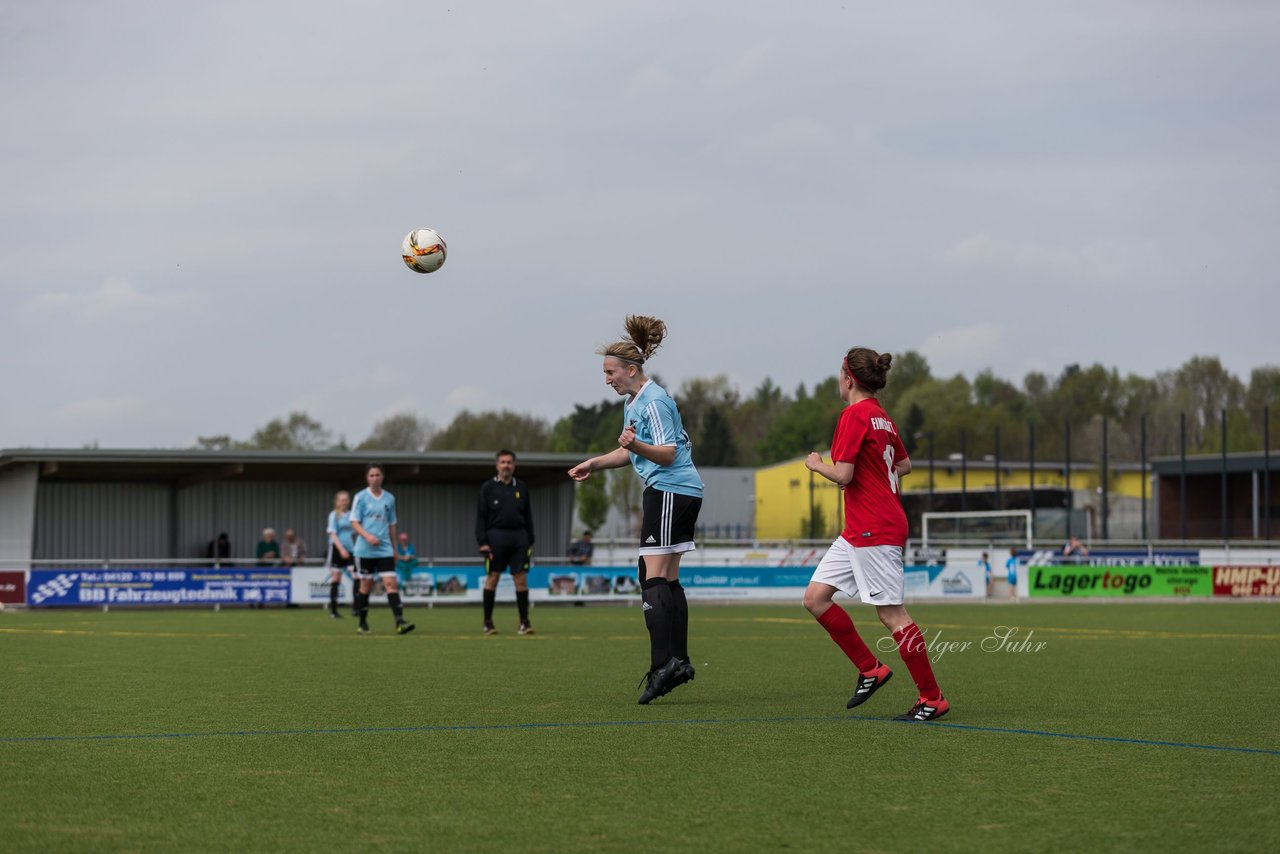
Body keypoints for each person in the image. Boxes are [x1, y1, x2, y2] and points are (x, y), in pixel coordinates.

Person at [801, 346, 950, 722]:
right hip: (861, 528)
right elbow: (905, 465)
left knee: (892, 615)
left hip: (875, 527)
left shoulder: (853, 415)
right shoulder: (882, 417)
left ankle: (932, 698)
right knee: (815, 598)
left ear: (848, 377)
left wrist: (818, 465)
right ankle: (871, 669)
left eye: (840, 373)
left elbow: (844, 474)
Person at [569, 316, 703, 705]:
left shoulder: (654, 400)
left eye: (610, 372)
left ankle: (664, 665)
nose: (606, 378)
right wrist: (594, 463)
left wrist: (635, 445)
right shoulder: (635, 402)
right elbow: (630, 450)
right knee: (667, 576)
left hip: (670, 490)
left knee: (651, 575)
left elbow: (665, 453)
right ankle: (678, 660)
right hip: (678, 490)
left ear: (631, 370)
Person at [475, 449, 536, 635]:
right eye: (502, 462)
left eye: (509, 462)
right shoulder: (487, 488)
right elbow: (481, 517)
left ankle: (524, 622)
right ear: (497, 465)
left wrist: (530, 540)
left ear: (514, 465)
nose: (506, 465)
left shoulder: (522, 487)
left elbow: (528, 516)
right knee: (493, 577)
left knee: (520, 578)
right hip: (495, 538)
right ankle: (488, 623)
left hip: (519, 538)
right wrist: (483, 542)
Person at [350, 463, 414, 636]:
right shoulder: (360, 497)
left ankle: (400, 622)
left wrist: (394, 549)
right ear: (367, 478)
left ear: (383, 477)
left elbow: (392, 524)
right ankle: (362, 623)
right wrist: (367, 536)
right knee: (366, 585)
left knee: (391, 584)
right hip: (365, 549)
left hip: (385, 548)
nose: (375, 478)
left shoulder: (389, 498)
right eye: (371, 475)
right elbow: (354, 522)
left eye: (378, 475)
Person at [324, 490, 356, 618]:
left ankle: (356, 608)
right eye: (341, 500)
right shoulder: (333, 515)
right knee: (336, 578)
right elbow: (333, 534)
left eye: (346, 500)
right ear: (337, 502)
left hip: (351, 550)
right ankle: (334, 610)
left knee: (356, 577)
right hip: (337, 549)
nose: (344, 502)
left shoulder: (351, 515)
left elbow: (355, 531)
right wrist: (341, 549)